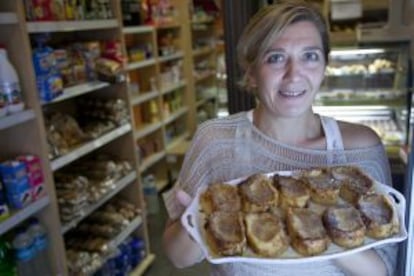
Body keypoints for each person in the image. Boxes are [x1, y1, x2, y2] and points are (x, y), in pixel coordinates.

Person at [162, 1, 397, 275]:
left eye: (309, 56)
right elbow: (177, 258)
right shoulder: (214, 140)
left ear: (324, 66)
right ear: (250, 73)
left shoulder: (360, 147)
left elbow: (384, 269)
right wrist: (195, 223)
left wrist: (320, 219)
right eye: (275, 57)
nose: (294, 74)